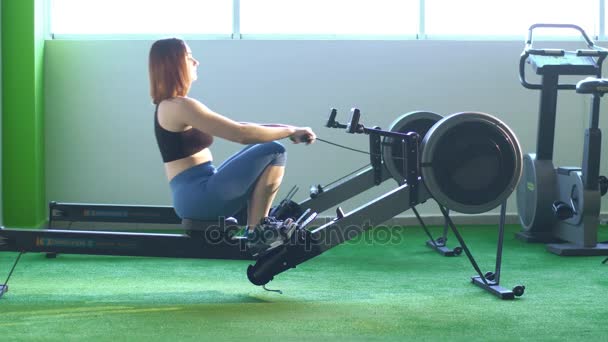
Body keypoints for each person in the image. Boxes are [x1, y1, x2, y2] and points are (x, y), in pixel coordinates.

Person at [148, 38, 316, 246]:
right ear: (175, 63)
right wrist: (289, 131)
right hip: (199, 196)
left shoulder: (174, 106)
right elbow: (240, 134)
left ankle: (257, 225)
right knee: (275, 150)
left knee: (261, 146)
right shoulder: (179, 106)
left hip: (197, 191)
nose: (196, 62)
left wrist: (291, 129)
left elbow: (238, 125)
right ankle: (257, 233)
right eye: (189, 58)